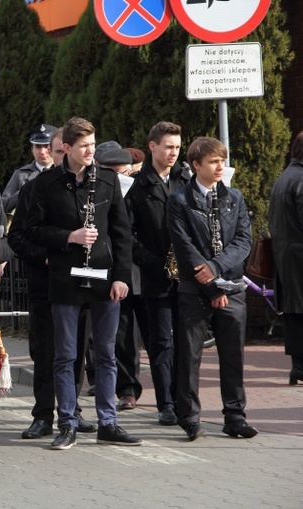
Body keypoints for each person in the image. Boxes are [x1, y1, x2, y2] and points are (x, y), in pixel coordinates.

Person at [25, 117, 141, 450]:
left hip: (104, 278)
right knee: (65, 356)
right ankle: (68, 422)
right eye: (84, 146)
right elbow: (31, 230)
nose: (90, 151)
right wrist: (69, 237)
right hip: (65, 278)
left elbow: (121, 234)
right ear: (66, 148)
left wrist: (121, 277)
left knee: (105, 354)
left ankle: (108, 422)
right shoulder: (45, 184)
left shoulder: (107, 179)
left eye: (92, 144)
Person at [167, 136, 257, 441]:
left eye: (222, 161)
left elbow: (244, 241)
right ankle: (190, 417)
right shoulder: (179, 201)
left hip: (231, 286)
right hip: (196, 292)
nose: (220, 167)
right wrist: (210, 288)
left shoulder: (235, 197)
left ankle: (235, 416)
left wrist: (217, 271)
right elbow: (184, 246)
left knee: (233, 356)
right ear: (196, 165)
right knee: (189, 355)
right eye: (213, 162)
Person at [8, 128, 97, 440]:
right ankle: (43, 415)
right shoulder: (37, 187)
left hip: (80, 283)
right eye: (56, 152)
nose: (57, 158)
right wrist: (46, 258)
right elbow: (17, 236)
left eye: (60, 152)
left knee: (75, 350)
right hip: (45, 283)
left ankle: (72, 411)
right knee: (46, 352)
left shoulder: (93, 184)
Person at [125, 122, 191, 426]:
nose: (173, 153)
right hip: (157, 276)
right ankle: (165, 403)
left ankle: (184, 400)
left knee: (186, 342)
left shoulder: (185, 181)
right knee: (162, 341)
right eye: (168, 147)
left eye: (177, 147)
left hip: (187, 277)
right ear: (153, 147)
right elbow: (128, 235)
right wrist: (154, 262)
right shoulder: (138, 188)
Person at [94, 143, 148, 413]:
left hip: (141, 271)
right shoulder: (95, 190)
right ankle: (127, 389)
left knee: (154, 336)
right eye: (111, 172)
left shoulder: (139, 189)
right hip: (112, 271)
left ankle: (170, 396)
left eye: (123, 172)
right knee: (121, 334)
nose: (119, 179)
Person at [269, 130, 303, 385]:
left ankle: (298, 366)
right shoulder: (300, 178)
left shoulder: (284, 177)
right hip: (298, 254)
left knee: (294, 311)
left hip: (286, 255)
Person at [2, 124, 56, 213]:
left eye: (47, 146)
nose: (42, 152)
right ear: (32, 149)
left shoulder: (63, 172)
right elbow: (4, 206)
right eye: (37, 147)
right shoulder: (21, 174)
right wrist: (25, 190)